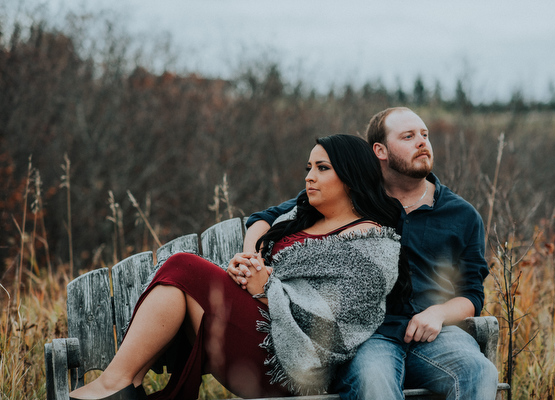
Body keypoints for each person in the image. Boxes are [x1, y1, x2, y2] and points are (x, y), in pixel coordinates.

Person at [69, 134, 409, 400]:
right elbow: (263, 255)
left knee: (183, 267)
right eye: (308, 167)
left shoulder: (372, 244)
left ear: (351, 178)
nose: (310, 177)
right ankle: (125, 384)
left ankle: (114, 384)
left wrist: (265, 288)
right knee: (180, 275)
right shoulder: (298, 217)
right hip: (259, 329)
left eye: (323, 168)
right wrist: (243, 270)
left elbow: (334, 327)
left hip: (294, 365)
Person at [232, 107, 499, 399]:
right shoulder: (353, 197)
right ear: (380, 150)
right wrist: (251, 259)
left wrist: (438, 313)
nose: (422, 142)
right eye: (408, 136)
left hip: (436, 334)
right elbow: (264, 218)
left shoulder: (461, 215)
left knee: (480, 371)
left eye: (424, 135)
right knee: (374, 383)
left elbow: (472, 295)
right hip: (368, 336)